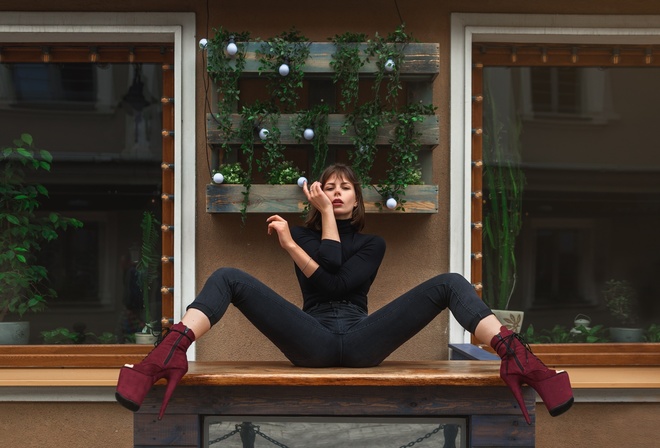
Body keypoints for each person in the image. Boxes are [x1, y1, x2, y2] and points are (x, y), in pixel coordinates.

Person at [115, 163, 573, 424]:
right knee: (229, 275)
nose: (336, 193)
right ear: (317, 195)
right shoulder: (310, 237)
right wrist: (303, 239)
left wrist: (291, 244)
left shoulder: (373, 244)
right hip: (310, 340)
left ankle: (521, 360)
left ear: (358, 200)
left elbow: (337, 280)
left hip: (361, 340)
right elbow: (326, 274)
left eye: (345, 187)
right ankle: (168, 353)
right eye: (328, 187)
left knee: (451, 282)